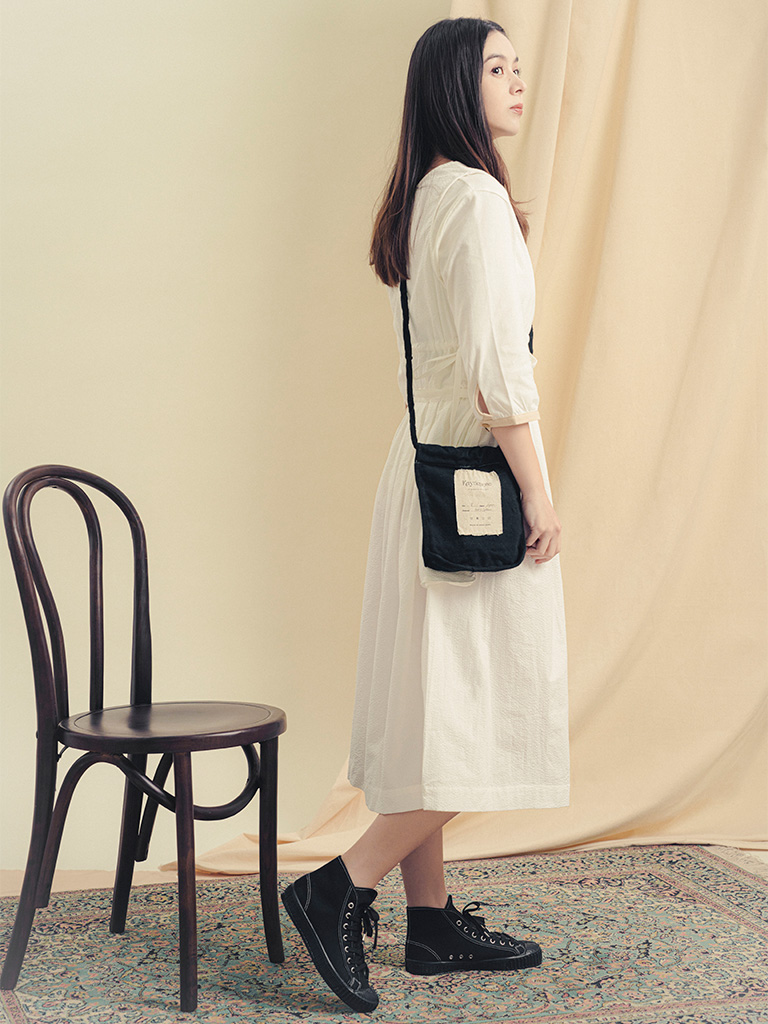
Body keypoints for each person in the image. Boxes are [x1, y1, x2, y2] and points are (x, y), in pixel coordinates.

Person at [281, 17, 570, 1013]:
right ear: (454, 84)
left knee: (444, 708)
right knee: (478, 715)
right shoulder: (478, 200)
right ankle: (338, 885)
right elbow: (497, 372)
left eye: (518, 65)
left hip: (420, 479)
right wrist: (540, 489)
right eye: (496, 67)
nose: (516, 80)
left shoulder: (428, 194)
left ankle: (432, 921)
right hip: (477, 487)